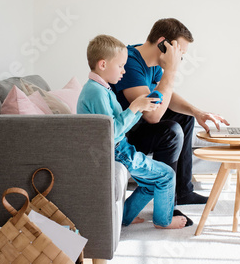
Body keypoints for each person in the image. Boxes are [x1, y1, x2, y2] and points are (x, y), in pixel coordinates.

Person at [111, 18, 229, 205]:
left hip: (138, 126)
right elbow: (152, 115)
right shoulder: (130, 62)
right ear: (162, 43)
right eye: (178, 52)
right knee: (170, 131)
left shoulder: (154, 63)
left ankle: (183, 192)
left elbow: (167, 96)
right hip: (124, 136)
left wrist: (196, 112)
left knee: (184, 117)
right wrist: (171, 71)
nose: (179, 59)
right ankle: (166, 203)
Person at [77, 34, 188, 229]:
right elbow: (109, 132)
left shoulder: (100, 89)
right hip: (117, 151)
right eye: (120, 66)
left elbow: (120, 123)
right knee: (167, 175)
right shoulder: (95, 92)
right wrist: (134, 108)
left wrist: (141, 107)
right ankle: (164, 220)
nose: (124, 70)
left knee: (148, 183)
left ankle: (124, 216)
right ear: (103, 65)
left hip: (119, 148)